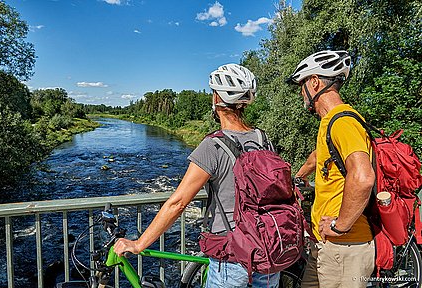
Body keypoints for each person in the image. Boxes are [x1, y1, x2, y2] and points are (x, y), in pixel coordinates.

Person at [114, 63, 281, 287]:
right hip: (268, 252)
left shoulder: (213, 146)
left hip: (232, 258)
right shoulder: (263, 139)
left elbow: (178, 203)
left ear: (217, 99)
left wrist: (139, 244)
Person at [287, 50, 376, 288]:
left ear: (314, 82)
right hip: (325, 247)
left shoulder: (342, 122)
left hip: (345, 248)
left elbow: (363, 176)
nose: (300, 93)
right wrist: (297, 178)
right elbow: (317, 158)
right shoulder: (329, 123)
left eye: (302, 84)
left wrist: (340, 226)